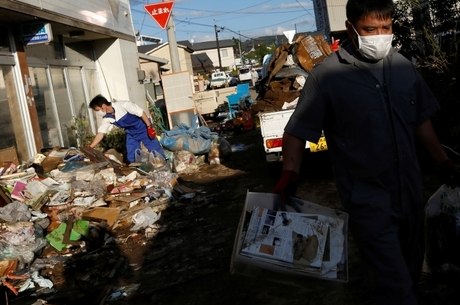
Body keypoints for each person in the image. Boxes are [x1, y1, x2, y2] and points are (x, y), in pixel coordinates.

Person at [273, 1, 460, 304]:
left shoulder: (402, 67)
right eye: (370, 29)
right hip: (367, 199)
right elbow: (296, 131)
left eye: (386, 28)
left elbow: (421, 121)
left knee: (411, 271)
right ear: (351, 28)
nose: (379, 36)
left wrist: (443, 161)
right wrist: (290, 173)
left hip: (410, 193)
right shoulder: (328, 77)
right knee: (396, 285)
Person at [88, 94, 165, 164]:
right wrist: (90, 147)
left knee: (155, 151)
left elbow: (141, 113)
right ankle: (139, 172)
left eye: (97, 110)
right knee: (132, 156)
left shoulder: (124, 105)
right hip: (131, 133)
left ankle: (164, 164)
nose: (97, 113)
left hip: (143, 128)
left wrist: (149, 127)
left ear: (103, 106)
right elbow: (101, 133)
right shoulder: (107, 118)